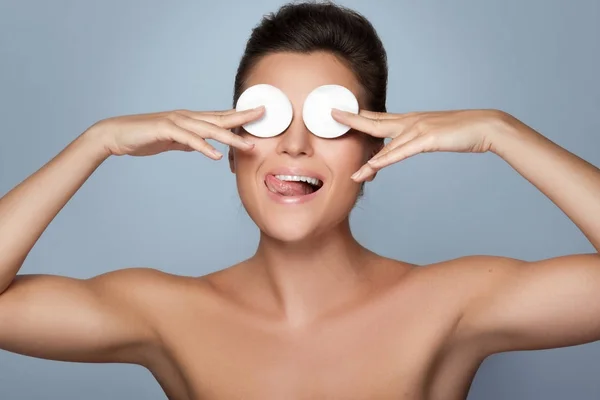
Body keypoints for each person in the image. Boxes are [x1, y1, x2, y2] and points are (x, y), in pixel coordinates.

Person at [0, 2, 599, 399]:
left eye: (331, 121)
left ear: (380, 149)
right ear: (233, 146)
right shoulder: (164, 311)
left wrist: (502, 132)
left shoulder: (453, 303)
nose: (293, 144)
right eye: (265, 119)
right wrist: (95, 142)